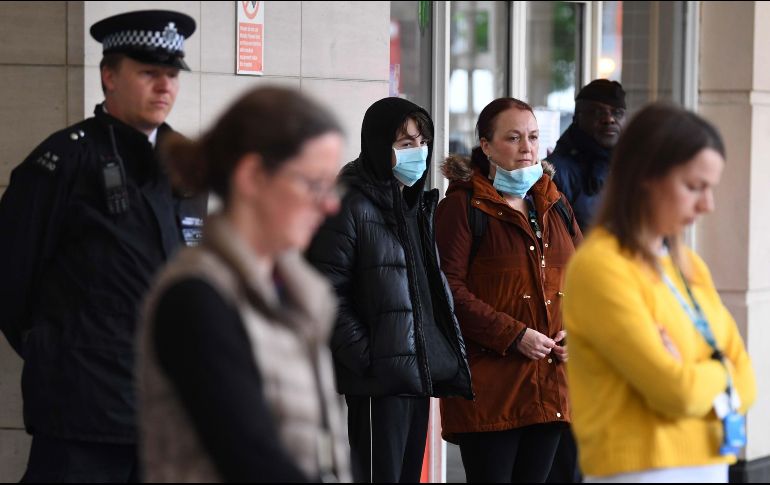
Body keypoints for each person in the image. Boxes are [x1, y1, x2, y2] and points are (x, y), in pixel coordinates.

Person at [0, 10, 205, 482]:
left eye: (172, 74)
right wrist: (58, 352)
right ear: (108, 76)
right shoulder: (62, 162)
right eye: (149, 72)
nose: (164, 86)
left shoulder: (188, 168)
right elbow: (11, 285)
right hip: (82, 416)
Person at [138, 86, 351, 482]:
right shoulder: (195, 298)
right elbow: (252, 460)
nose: (330, 205)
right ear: (252, 176)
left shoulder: (295, 293)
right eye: (314, 184)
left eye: (331, 185)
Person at [563, 103, 756, 483]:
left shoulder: (688, 266)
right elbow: (676, 392)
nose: (707, 205)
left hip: (710, 466)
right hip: (635, 472)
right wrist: (720, 371)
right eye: (694, 186)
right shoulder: (601, 267)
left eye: (710, 188)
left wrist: (694, 372)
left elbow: (748, 381)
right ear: (646, 175)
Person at [306, 97, 473, 483]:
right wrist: (370, 359)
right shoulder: (350, 202)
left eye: (421, 142)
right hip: (379, 380)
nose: (418, 152)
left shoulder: (412, 203)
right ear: (379, 146)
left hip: (414, 374)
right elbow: (323, 293)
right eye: (404, 144)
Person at [434, 97, 582, 483]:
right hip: (490, 391)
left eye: (533, 137)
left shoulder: (554, 202)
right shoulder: (462, 206)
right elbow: (447, 289)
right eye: (513, 137)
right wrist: (513, 335)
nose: (527, 147)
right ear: (486, 145)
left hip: (550, 387)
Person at [547, 79, 627, 232]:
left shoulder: (632, 167)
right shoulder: (556, 171)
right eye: (597, 112)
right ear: (577, 118)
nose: (609, 119)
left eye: (617, 113)